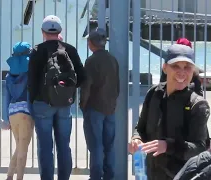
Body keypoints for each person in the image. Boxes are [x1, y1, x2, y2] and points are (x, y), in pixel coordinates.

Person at [128, 43, 210, 179]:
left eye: (187, 67)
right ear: (165, 68)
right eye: (175, 66)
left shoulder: (198, 105)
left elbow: (200, 149)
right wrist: (136, 139)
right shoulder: (153, 93)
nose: (182, 72)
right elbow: (140, 127)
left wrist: (167, 145)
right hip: (150, 173)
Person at [28, 15, 85, 180]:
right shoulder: (70, 50)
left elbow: (31, 81)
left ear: (42, 32)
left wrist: (32, 102)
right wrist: (67, 91)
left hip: (42, 104)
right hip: (64, 104)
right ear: (60, 31)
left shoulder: (37, 51)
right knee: (64, 146)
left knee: (45, 147)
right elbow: (80, 77)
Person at [80, 28, 120, 180]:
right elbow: (117, 85)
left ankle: (95, 177)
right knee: (109, 145)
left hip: (94, 108)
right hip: (110, 108)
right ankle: (109, 176)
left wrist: (82, 105)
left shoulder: (91, 61)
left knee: (96, 146)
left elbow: (86, 86)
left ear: (90, 43)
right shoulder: (112, 59)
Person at [5, 42, 34, 180]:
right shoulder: (29, 75)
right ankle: (19, 178)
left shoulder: (8, 76)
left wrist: (7, 117)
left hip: (12, 112)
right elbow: (30, 96)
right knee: (23, 149)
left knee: (19, 147)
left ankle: (10, 176)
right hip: (25, 113)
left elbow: (7, 98)